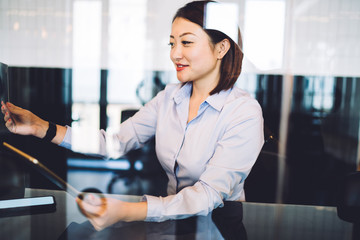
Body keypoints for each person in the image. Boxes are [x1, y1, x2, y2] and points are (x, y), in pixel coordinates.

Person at [1, 0, 264, 231]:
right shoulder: (170, 98)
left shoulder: (244, 112)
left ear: (221, 48)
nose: (175, 54)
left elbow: (207, 195)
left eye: (186, 42)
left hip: (217, 227)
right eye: (172, 43)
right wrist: (41, 127)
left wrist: (126, 211)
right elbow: (114, 142)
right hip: (170, 224)